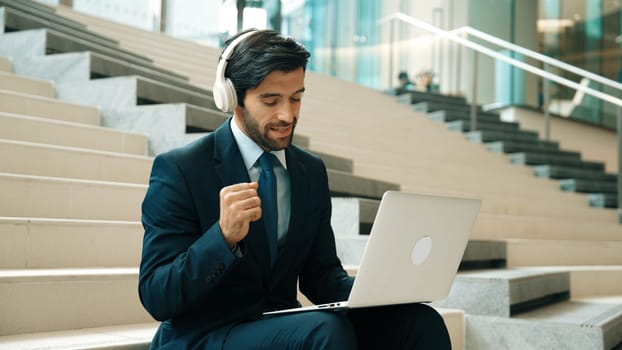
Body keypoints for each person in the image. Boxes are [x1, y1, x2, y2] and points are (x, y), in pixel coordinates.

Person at [138, 29, 451, 349]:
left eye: (296, 98)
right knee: (325, 332)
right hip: (206, 335)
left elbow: (322, 278)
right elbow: (156, 296)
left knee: (420, 322)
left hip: (280, 328)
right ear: (232, 98)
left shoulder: (308, 172)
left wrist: (382, 291)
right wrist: (223, 237)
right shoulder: (181, 169)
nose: (287, 115)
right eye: (270, 100)